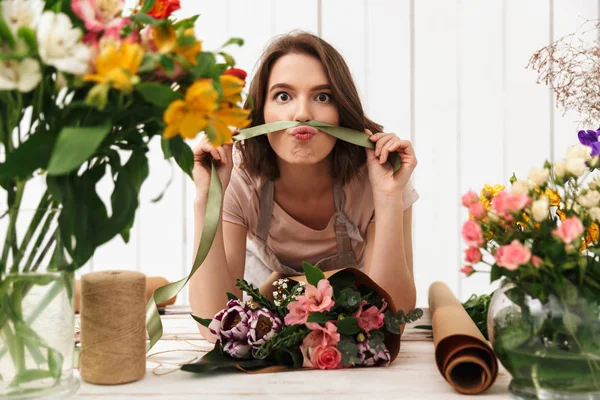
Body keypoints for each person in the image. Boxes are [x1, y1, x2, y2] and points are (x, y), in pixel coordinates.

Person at [189, 31, 419, 340]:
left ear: (341, 111)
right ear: (260, 113)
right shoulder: (239, 177)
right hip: (269, 299)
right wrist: (207, 196)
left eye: (322, 97)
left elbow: (395, 322)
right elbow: (212, 326)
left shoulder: (379, 176)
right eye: (283, 96)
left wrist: (389, 197)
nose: (302, 114)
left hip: (351, 309)